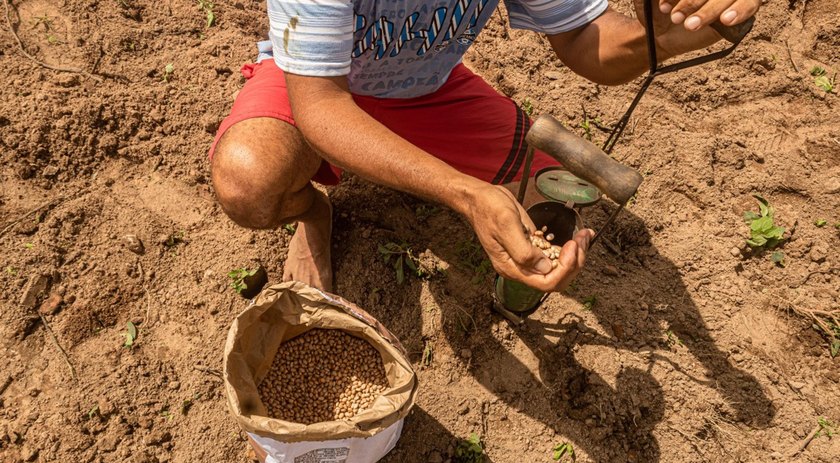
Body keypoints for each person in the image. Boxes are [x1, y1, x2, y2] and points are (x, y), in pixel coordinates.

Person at [210, 0, 760, 292]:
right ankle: (313, 212)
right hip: (317, 84)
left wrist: (670, 29)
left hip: (429, 91)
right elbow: (323, 107)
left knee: (557, 210)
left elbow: (584, 39)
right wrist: (466, 194)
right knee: (248, 182)